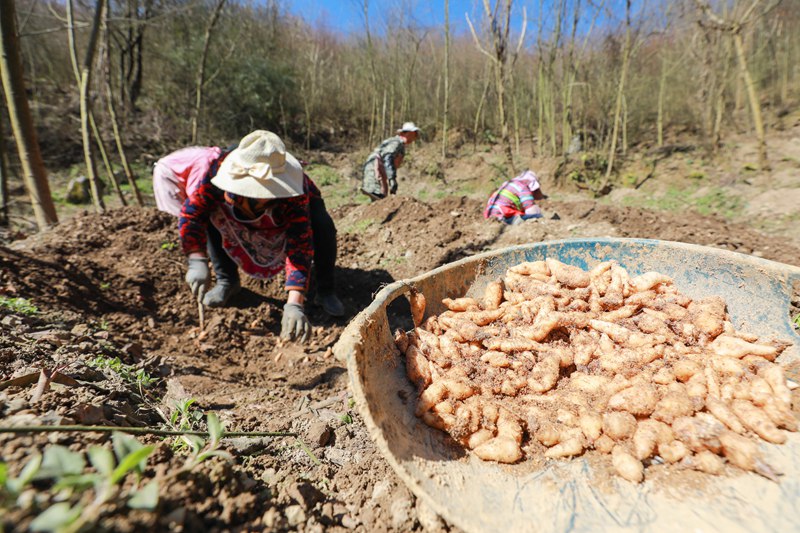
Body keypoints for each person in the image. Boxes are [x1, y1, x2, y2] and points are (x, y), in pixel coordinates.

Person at [152, 130, 344, 342]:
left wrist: (294, 303)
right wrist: (196, 259)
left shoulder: (295, 191)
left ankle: (325, 289)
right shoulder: (215, 175)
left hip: (294, 209)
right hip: (229, 214)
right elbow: (192, 214)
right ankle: (227, 280)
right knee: (213, 216)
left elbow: (300, 244)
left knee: (323, 226)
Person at [361, 121, 420, 201]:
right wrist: (392, 179)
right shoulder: (395, 142)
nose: (413, 139)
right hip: (374, 167)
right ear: (407, 133)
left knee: (382, 196)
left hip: (379, 168)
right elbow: (388, 158)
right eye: (413, 135)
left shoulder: (399, 145)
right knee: (377, 194)